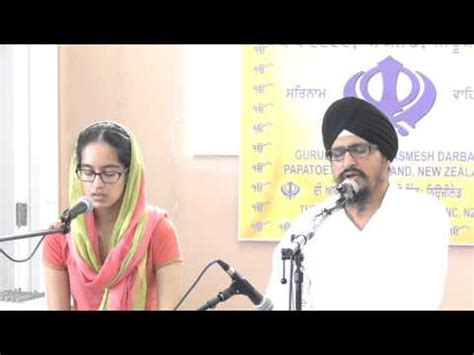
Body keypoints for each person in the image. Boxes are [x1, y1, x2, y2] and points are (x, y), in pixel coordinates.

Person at [265, 96, 450, 310]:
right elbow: (281, 301)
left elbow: (420, 299)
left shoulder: (423, 215)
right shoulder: (308, 226)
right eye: (338, 153)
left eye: (360, 150)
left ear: (386, 156)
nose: (348, 162)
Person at [42, 121, 183, 310]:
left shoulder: (158, 230)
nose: (97, 184)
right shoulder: (59, 234)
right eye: (88, 172)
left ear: (129, 175)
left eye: (109, 173)